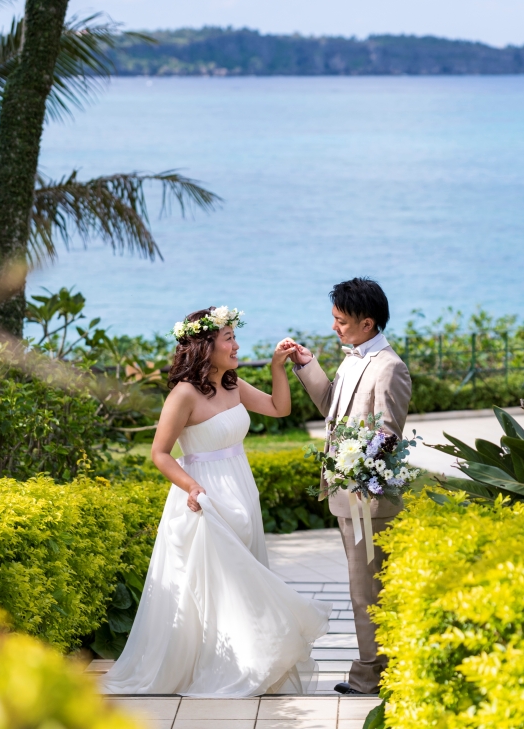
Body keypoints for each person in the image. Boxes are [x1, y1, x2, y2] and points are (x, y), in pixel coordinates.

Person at [102, 306, 327, 697]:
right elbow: (160, 453)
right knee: (215, 586)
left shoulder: (233, 384)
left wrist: (277, 367)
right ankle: (221, 663)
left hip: (241, 486)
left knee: (244, 577)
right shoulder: (184, 394)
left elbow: (279, 408)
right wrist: (190, 487)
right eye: (230, 339)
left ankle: (249, 659)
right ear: (206, 345)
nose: (237, 346)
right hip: (203, 498)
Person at [286, 279, 411, 696]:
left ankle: (372, 675)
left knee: (368, 591)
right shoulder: (353, 359)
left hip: (368, 501)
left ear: (368, 323)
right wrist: (306, 365)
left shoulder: (389, 367)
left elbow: (388, 435)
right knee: (363, 588)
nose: (334, 327)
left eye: (341, 321)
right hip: (344, 497)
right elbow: (332, 411)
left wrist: (361, 479)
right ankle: (378, 670)